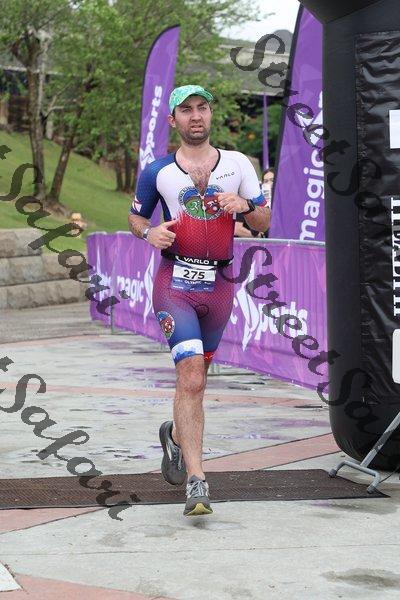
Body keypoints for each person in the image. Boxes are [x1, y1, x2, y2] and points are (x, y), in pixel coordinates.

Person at [128, 84, 270, 516]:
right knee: (190, 377)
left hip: (220, 285)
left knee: (198, 379)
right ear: (173, 120)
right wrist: (149, 232)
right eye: (186, 110)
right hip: (174, 283)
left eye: (202, 108)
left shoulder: (238, 164)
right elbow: (135, 216)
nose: (195, 116)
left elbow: (263, 220)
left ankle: (175, 437)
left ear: (210, 115)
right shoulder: (158, 171)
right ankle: (196, 479)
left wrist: (244, 204)